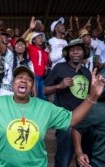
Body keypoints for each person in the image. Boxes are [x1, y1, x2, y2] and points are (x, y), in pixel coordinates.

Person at [0, 64, 105, 167]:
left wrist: (93, 96)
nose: (23, 81)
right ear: (13, 84)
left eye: (28, 79)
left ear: (33, 87)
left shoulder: (45, 108)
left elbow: (73, 119)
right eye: (19, 78)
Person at [43, 38, 91, 167]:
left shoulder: (87, 72)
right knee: (63, 160)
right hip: (66, 120)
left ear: (84, 52)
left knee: (84, 159)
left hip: (84, 121)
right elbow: (45, 90)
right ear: (67, 53)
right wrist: (59, 86)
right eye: (72, 50)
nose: (75, 52)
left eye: (79, 49)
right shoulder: (60, 68)